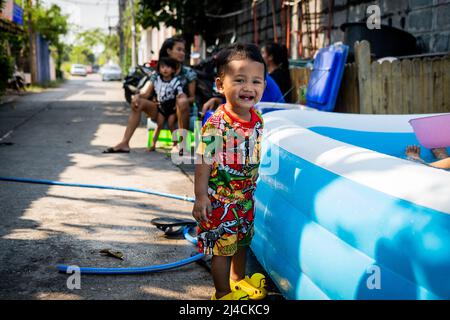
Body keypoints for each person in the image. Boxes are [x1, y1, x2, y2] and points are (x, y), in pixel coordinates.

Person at [192, 43, 267, 300]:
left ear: (264, 86)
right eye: (239, 80)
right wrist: (201, 196)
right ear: (220, 84)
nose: (249, 87)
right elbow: (203, 160)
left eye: (256, 81)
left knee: (242, 242)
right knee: (223, 249)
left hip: (245, 197)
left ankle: (238, 280)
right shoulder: (217, 124)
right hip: (220, 201)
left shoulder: (257, 119)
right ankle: (222, 293)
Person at [103, 36, 197, 155]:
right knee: (139, 102)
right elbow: (146, 92)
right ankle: (125, 143)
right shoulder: (158, 72)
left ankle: (181, 146)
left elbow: (193, 98)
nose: (182, 53)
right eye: (179, 49)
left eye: (183, 50)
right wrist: (137, 96)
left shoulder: (188, 73)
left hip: (180, 112)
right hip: (161, 110)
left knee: (182, 101)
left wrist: (180, 100)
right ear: (169, 51)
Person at [146, 57, 185, 151]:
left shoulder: (175, 81)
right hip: (161, 107)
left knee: (171, 124)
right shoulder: (157, 80)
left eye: (168, 67)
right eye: (162, 67)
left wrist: (180, 97)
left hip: (172, 107)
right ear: (159, 68)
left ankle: (175, 144)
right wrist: (153, 99)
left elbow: (180, 92)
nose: (165, 69)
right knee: (159, 124)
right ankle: (153, 144)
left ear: (173, 70)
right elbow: (153, 92)